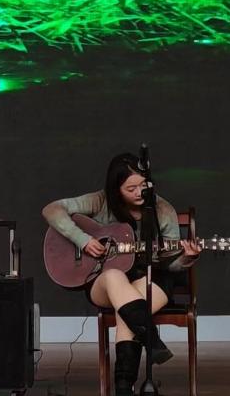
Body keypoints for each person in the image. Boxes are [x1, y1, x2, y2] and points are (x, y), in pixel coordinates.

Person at [42, 152, 200, 396]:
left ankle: (124, 388)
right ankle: (151, 340)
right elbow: (51, 210)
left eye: (143, 185)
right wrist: (83, 240)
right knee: (115, 276)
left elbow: (171, 264)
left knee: (126, 311)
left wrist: (187, 257)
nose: (139, 192)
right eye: (131, 188)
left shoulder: (162, 209)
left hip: (153, 279)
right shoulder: (100, 201)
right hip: (104, 280)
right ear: (116, 190)